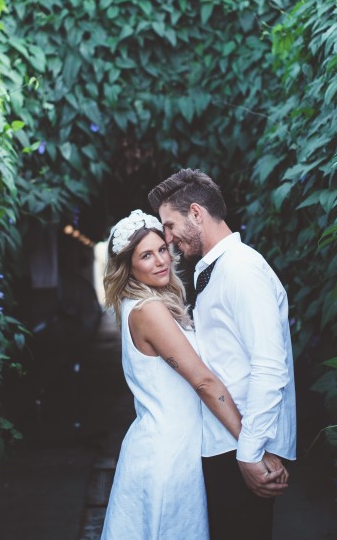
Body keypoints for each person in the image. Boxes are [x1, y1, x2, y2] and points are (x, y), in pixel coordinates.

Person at [100, 209, 286, 540]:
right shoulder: (148, 310)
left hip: (172, 446)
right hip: (167, 454)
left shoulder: (145, 303)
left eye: (161, 249)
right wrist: (252, 446)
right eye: (146, 255)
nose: (161, 261)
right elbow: (203, 381)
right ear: (128, 267)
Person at [148, 169, 297, 540]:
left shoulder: (242, 270)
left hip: (241, 447)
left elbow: (270, 367)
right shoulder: (220, 269)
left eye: (170, 225)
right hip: (226, 443)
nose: (168, 238)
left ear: (196, 214)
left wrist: (250, 452)